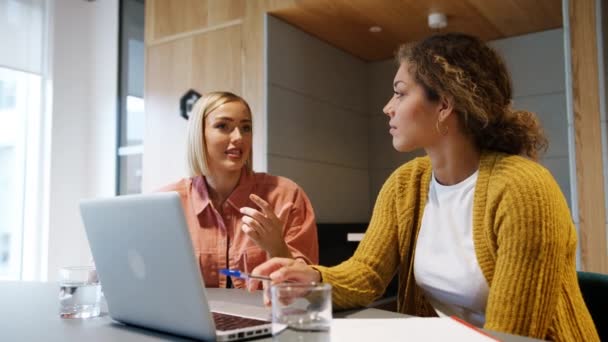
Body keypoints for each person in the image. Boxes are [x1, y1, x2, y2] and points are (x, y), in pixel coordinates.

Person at [248, 33, 599, 341]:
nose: (388, 108)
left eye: (400, 94)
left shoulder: (523, 188)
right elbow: (367, 274)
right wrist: (311, 276)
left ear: (444, 104)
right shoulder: (406, 183)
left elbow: (510, 336)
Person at [159, 91, 318, 289]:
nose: (238, 137)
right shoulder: (166, 203)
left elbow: (306, 290)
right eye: (223, 126)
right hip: (188, 318)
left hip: (269, 316)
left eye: (246, 128)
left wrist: (277, 248)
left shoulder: (286, 196)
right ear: (199, 135)